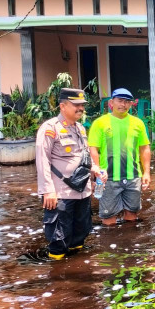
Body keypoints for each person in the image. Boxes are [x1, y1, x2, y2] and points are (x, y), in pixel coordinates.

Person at [34, 88, 100, 260]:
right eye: (76, 105)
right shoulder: (50, 128)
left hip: (82, 191)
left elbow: (84, 156)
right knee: (59, 238)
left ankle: (79, 270)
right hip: (60, 193)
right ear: (63, 106)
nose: (80, 109)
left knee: (81, 232)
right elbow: (42, 161)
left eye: (82, 105)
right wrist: (47, 190)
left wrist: (95, 170)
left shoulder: (80, 128)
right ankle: (58, 278)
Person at [88, 88, 151, 225]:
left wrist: (146, 172)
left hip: (133, 176)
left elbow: (144, 148)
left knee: (132, 215)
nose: (123, 105)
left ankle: (131, 243)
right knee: (108, 218)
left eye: (127, 102)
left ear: (131, 104)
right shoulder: (100, 123)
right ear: (111, 102)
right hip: (107, 178)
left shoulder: (138, 123)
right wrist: (97, 172)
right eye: (120, 101)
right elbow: (93, 149)